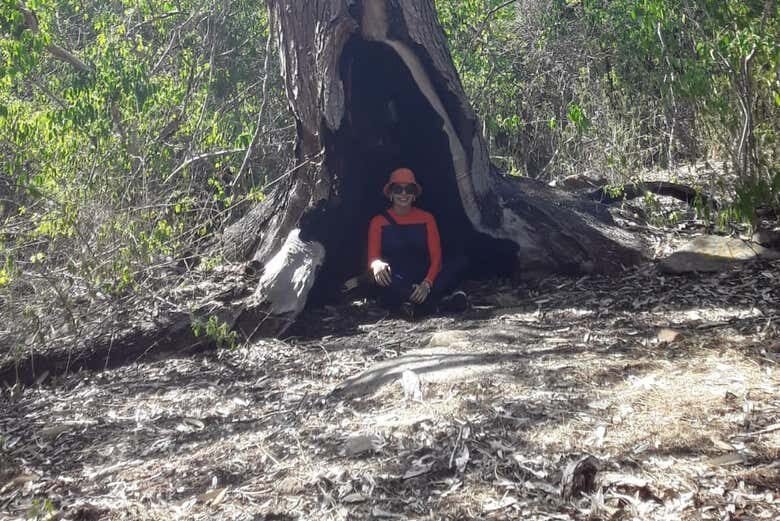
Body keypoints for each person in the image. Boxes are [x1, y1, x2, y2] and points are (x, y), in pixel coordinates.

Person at [367, 167, 468, 318]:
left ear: (414, 195)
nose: (403, 194)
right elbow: (373, 258)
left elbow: (436, 259)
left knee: (458, 262)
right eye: (398, 189)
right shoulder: (378, 222)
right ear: (390, 194)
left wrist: (426, 284)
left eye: (409, 189)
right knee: (383, 282)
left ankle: (415, 302)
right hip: (397, 277)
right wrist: (377, 265)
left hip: (425, 275)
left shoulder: (427, 218)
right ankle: (437, 302)